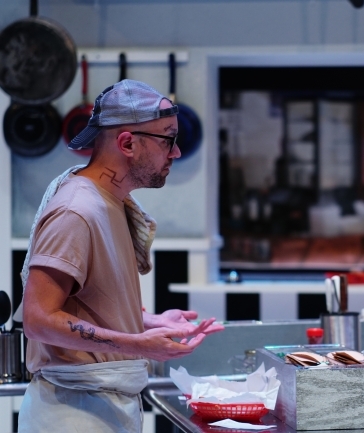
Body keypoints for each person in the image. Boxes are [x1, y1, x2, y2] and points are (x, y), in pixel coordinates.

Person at [17, 79, 224, 432]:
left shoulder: (112, 204)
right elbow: (38, 319)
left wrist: (146, 322)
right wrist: (137, 343)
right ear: (127, 143)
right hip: (73, 415)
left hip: (97, 406)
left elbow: (82, 306)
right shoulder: (77, 210)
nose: (175, 153)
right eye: (168, 140)